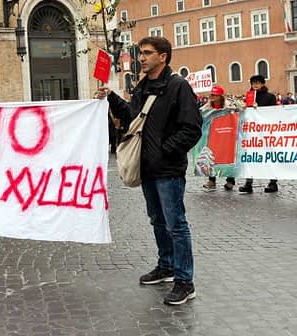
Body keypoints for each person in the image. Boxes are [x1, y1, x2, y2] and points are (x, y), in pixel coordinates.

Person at [97, 36, 201, 305]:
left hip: (168, 169)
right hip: (148, 169)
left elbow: (192, 129)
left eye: (146, 53)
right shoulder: (142, 85)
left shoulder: (178, 86)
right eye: (140, 53)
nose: (141, 58)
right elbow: (133, 117)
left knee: (176, 225)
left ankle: (185, 281)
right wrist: (110, 97)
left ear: (162, 57)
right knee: (157, 220)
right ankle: (166, 266)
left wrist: (165, 150)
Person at [239, 75, 278, 193]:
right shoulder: (249, 96)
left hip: (266, 132)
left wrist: (259, 108)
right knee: (250, 157)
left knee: (269, 157)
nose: (255, 85)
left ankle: (273, 182)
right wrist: (245, 107)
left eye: (257, 82)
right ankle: (248, 183)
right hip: (252, 132)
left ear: (262, 84)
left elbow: (273, 112)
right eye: (253, 83)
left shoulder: (270, 96)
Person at [201, 85, 236, 191]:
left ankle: (230, 181)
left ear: (220, 96)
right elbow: (202, 113)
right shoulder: (208, 106)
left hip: (226, 135)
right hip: (213, 135)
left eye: (215, 95)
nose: (212, 97)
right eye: (211, 94)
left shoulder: (228, 105)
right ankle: (212, 180)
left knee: (228, 156)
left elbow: (236, 113)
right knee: (211, 156)